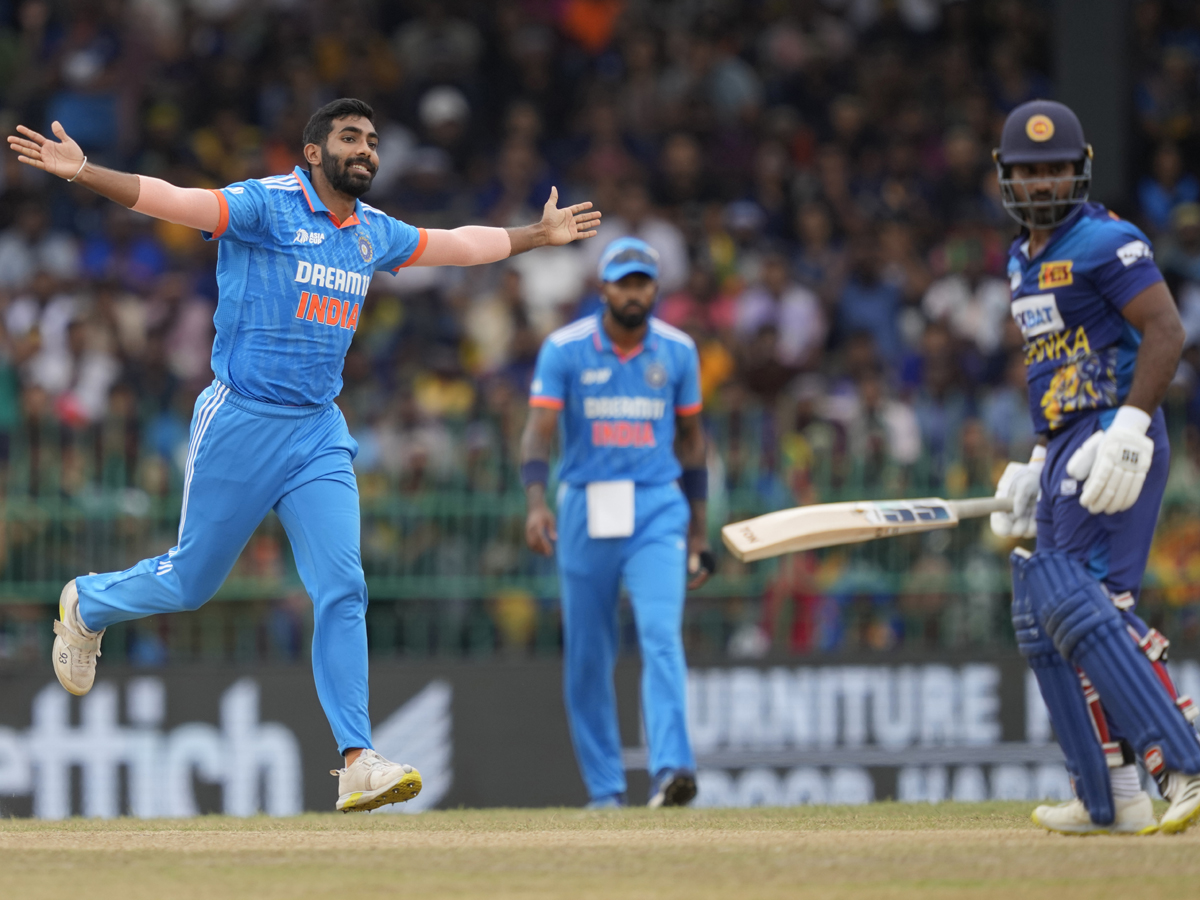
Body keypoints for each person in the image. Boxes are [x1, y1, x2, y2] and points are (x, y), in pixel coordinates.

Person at [7, 98, 600, 813]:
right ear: (314, 152)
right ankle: (89, 603)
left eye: (373, 140)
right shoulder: (267, 205)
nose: (367, 149)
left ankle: (357, 759)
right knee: (192, 584)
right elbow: (175, 201)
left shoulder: (371, 232)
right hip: (242, 420)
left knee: (343, 586)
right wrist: (85, 173)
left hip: (318, 430)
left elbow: (455, 243)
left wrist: (536, 235)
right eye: (351, 138)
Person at [989, 99, 1200, 835]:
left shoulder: (1108, 240)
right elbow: (1053, 368)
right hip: (1068, 442)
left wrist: (1132, 427)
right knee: (1047, 613)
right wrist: (1037, 459)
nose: (1042, 183)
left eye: (1054, 169)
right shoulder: (1019, 261)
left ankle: (1185, 761)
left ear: (1079, 170)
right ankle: (1108, 792)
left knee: (1083, 604)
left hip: (1113, 436)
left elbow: (1166, 331)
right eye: (1028, 171)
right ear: (1006, 177)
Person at [519, 237, 713, 808]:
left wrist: (699, 531)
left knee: (661, 635)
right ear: (603, 287)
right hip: (586, 503)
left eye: (642, 283)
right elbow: (537, 432)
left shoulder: (678, 351)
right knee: (587, 654)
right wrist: (536, 503)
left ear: (656, 289)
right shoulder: (565, 348)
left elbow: (693, 442)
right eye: (623, 283)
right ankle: (606, 791)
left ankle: (672, 770)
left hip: (657, 507)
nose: (633, 293)